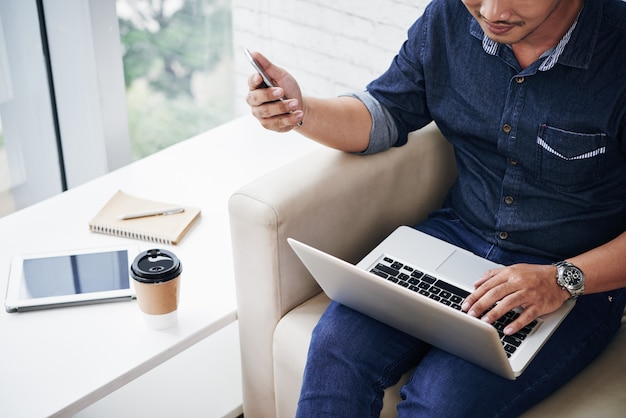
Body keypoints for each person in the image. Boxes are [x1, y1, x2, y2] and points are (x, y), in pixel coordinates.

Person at [246, 0, 626, 416]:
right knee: (336, 349)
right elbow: (385, 113)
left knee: (439, 402)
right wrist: (300, 111)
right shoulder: (448, 17)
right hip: (457, 235)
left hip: (571, 275)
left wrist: (562, 279)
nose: (492, 11)